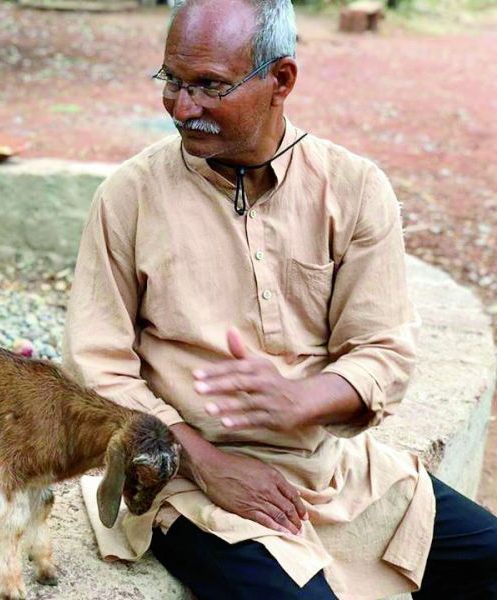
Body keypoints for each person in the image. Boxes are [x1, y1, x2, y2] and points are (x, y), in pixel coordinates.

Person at [62, 0, 497, 598]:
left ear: (281, 80)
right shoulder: (128, 197)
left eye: (210, 85)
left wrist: (302, 401)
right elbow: (97, 368)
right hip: (184, 478)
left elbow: (384, 350)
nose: (183, 108)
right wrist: (206, 464)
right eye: (173, 81)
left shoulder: (353, 187)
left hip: (333, 471)